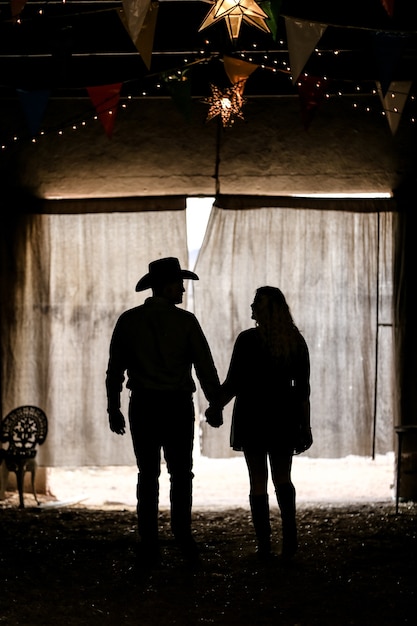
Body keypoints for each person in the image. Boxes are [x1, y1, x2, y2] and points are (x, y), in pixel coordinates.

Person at [106, 257, 222, 566]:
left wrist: (113, 407)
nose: (183, 289)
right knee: (181, 473)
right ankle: (182, 535)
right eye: (179, 283)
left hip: (142, 405)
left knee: (148, 474)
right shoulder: (186, 322)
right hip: (177, 406)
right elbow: (205, 368)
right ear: (166, 286)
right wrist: (216, 403)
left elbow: (115, 370)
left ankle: (149, 541)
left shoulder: (129, 321)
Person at [207, 286, 312, 560]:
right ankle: (290, 543)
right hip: (283, 417)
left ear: (267, 310)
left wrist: (216, 405)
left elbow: (233, 382)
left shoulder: (247, 340)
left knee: (258, 481)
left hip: (252, 416)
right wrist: (306, 425)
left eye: (257, 304)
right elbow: (302, 391)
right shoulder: (295, 342)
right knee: (283, 479)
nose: (251, 307)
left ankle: (264, 546)